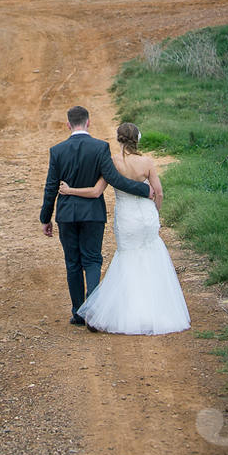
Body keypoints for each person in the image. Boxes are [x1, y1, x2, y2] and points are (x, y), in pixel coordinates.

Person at [60, 122, 190, 335]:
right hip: (146, 217)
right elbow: (159, 193)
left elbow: (95, 192)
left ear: (119, 139)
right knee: (151, 257)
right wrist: (155, 212)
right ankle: (156, 311)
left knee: (128, 259)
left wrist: (69, 190)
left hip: (127, 219)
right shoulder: (147, 162)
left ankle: (130, 313)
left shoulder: (113, 162)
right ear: (137, 139)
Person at [40, 106, 153, 326]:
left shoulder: (57, 150)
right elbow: (116, 180)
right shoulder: (100, 147)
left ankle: (78, 313)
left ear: (68, 124)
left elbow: (50, 187)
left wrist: (46, 218)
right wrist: (144, 190)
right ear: (88, 122)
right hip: (93, 214)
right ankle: (93, 312)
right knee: (92, 260)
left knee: (73, 263)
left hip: (67, 215)